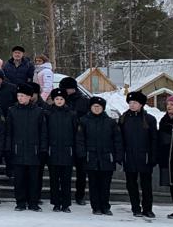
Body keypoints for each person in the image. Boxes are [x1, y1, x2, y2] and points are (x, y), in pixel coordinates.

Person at [5, 83, 48, 211]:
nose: (20, 98)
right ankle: (20, 202)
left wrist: (43, 149)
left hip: (34, 150)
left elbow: (43, 132)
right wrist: (8, 148)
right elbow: (9, 132)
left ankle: (33, 202)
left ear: (29, 97)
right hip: (17, 149)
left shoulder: (38, 111)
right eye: (18, 96)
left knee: (34, 179)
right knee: (19, 179)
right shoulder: (12, 111)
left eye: (23, 96)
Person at [77, 96, 121, 216]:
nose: (96, 108)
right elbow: (80, 139)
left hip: (107, 157)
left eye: (99, 107)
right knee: (93, 184)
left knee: (105, 184)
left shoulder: (110, 122)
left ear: (103, 108)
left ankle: (105, 206)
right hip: (90, 157)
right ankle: (96, 207)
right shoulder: (84, 121)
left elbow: (117, 139)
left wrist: (118, 155)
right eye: (94, 106)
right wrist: (82, 153)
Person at [120, 91, 158, 218]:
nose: (132, 105)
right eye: (130, 103)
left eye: (135, 103)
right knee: (131, 184)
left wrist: (153, 156)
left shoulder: (149, 119)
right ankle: (135, 208)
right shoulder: (124, 118)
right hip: (129, 156)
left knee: (146, 184)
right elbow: (120, 139)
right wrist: (121, 155)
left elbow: (154, 139)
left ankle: (148, 208)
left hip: (145, 157)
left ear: (141, 104)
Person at [45, 88, 77, 213]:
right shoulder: (48, 113)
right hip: (52, 150)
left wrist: (74, 149)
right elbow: (44, 132)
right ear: (53, 100)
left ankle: (66, 204)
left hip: (67, 151)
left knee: (66, 180)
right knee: (54, 179)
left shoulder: (71, 114)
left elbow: (76, 133)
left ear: (65, 100)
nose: (59, 101)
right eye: (57, 99)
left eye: (61, 99)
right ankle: (56, 203)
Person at [60, 77, 90, 205]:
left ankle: (80, 195)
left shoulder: (83, 101)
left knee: (81, 171)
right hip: (64, 139)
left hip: (80, 139)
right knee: (64, 171)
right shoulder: (61, 99)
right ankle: (63, 195)